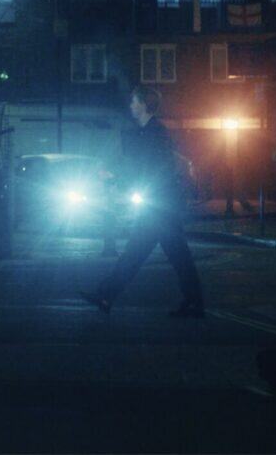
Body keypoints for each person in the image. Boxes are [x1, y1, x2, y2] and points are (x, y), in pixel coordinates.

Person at [80, 86, 204, 318]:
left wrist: (116, 178)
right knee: (154, 255)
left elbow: (151, 169)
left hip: (160, 206)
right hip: (160, 205)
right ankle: (107, 295)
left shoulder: (155, 132)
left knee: (154, 255)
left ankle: (107, 295)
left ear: (144, 105)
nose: (131, 105)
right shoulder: (150, 132)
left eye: (134, 102)